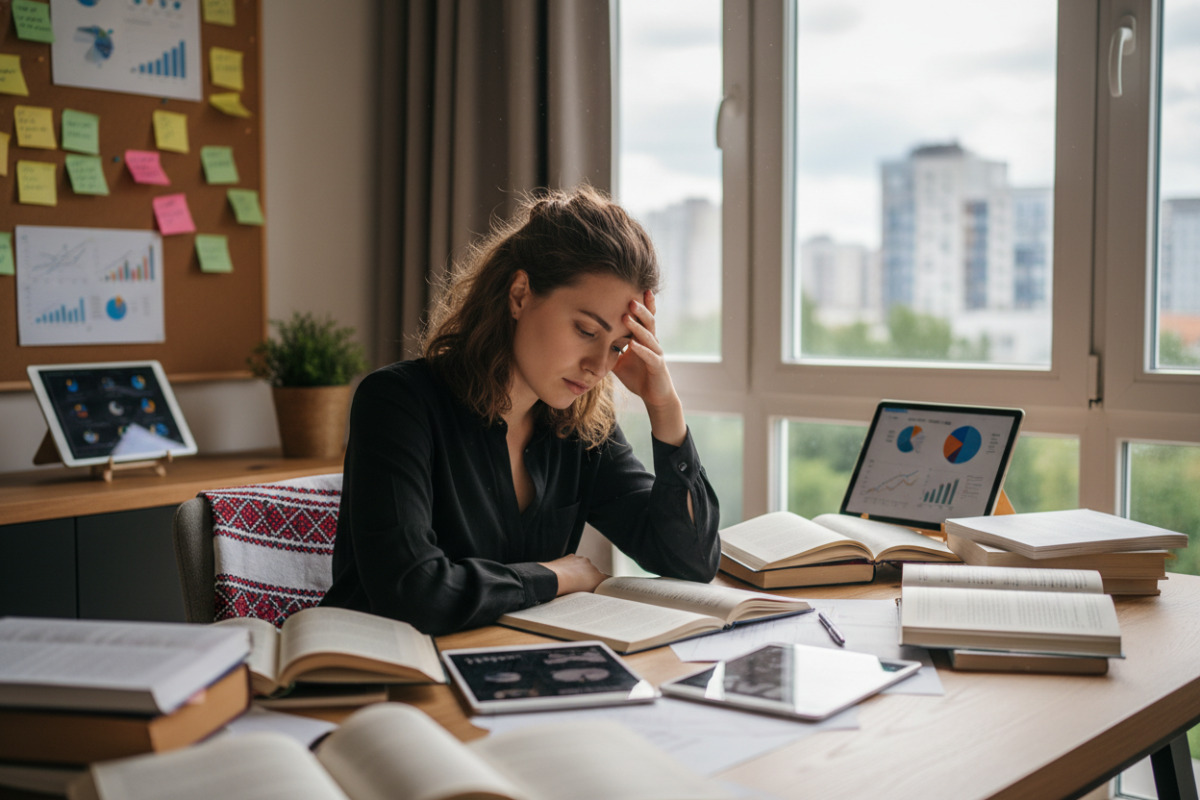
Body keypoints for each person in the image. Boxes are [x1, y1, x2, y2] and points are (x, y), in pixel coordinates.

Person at [319, 186, 721, 635]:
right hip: (381, 679)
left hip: (510, 674)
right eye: (586, 330)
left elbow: (691, 560)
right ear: (519, 294)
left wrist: (663, 406)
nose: (598, 367)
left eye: (618, 346)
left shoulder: (582, 428)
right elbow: (413, 593)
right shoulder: (397, 403)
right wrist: (557, 575)